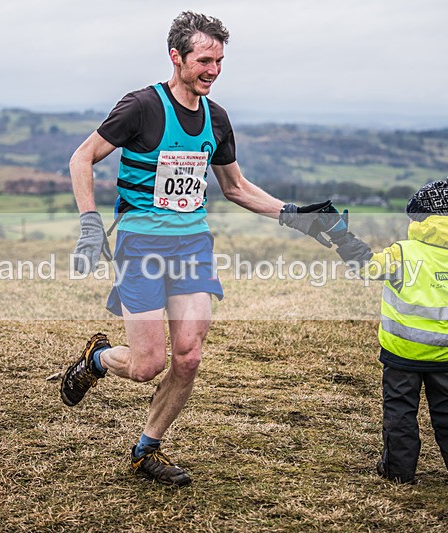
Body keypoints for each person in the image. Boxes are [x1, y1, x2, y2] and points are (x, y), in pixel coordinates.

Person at [60, 11, 334, 487]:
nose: (214, 70)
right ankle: (97, 359)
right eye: (204, 60)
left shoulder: (217, 118)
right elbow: (82, 157)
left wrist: (294, 215)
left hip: (192, 245)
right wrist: (89, 223)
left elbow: (235, 187)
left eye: (219, 61)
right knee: (147, 365)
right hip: (141, 245)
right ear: (176, 57)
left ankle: (146, 450)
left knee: (188, 357)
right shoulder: (142, 107)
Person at [320, 171, 448, 484]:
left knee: (400, 411)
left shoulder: (404, 253)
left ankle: (398, 472)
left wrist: (341, 236)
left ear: (422, 219)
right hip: (445, 355)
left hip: (402, 354)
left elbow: (366, 266)